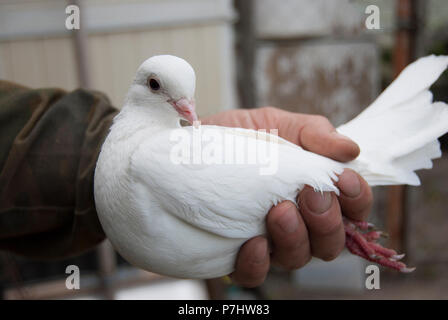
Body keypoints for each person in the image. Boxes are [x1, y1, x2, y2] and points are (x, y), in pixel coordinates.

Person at [0, 80, 373, 288]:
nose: (186, 110)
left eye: (187, 99)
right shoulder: (150, 157)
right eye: (159, 88)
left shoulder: (157, 155)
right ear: (143, 87)